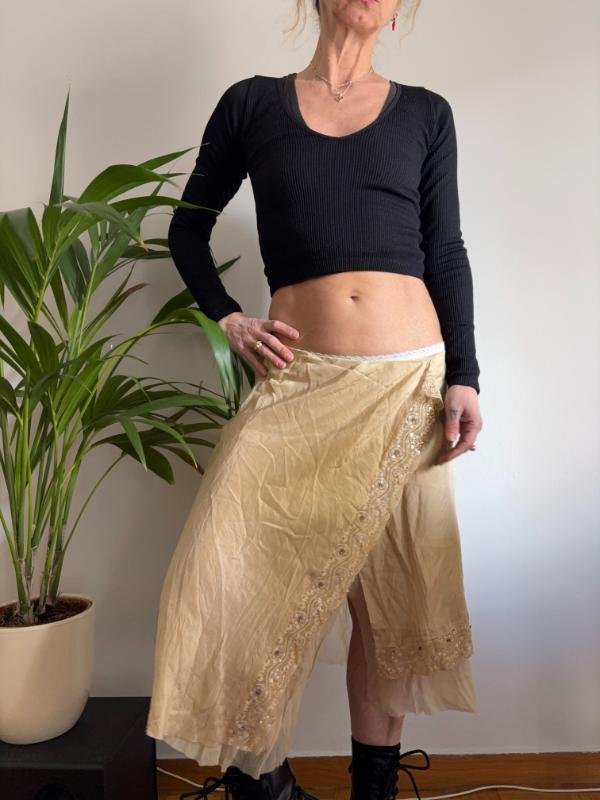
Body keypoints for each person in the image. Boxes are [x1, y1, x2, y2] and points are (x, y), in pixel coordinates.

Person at [146, 1, 483, 798]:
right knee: (223, 579)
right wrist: (228, 318)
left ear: (398, 13)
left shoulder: (426, 114)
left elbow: (445, 250)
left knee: (388, 607)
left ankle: (375, 789)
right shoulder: (252, 105)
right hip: (300, 384)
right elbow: (187, 229)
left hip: (408, 388)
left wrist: (466, 374)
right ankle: (265, 787)